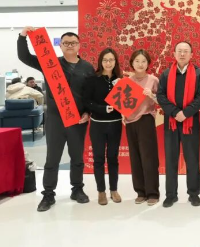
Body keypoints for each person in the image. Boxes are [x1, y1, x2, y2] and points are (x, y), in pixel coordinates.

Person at [17, 27, 94, 212]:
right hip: (55, 119)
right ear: (60, 45)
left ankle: (77, 189)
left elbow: (90, 94)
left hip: (77, 120)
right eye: (66, 43)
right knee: (52, 158)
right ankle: (48, 194)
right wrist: (22, 37)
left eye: (73, 43)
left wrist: (88, 112)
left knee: (77, 157)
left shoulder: (87, 68)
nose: (70, 46)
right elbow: (24, 57)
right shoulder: (50, 63)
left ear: (79, 45)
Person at [157, 41, 200, 208]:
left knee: (192, 159)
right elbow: (161, 96)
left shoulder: (199, 74)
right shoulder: (166, 74)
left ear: (191, 54)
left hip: (190, 122)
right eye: (179, 51)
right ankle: (171, 195)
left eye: (186, 51)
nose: (182, 54)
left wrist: (185, 113)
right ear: (174, 54)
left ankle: (194, 194)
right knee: (171, 159)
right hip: (171, 123)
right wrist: (174, 112)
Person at [83, 48, 123, 206]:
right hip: (98, 125)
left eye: (111, 60)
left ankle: (114, 189)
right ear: (100, 62)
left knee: (113, 158)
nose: (108, 63)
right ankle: (101, 191)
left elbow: (126, 102)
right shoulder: (93, 79)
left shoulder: (120, 80)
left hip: (115, 124)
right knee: (98, 158)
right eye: (105, 60)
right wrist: (102, 109)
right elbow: (87, 101)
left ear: (115, 62)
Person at [125, 49, 160, 206]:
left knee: (149, 157)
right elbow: (122, 103)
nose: (140, 64)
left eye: (143, 61)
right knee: (135, 157)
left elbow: (162, 100)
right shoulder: (127, 81)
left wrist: (151, 95)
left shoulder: (153, 80)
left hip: (146, 119)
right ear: (132, 63)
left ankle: (152, 193)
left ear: (148, 63)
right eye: (137, 61)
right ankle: (140, 192)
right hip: (130, 122)